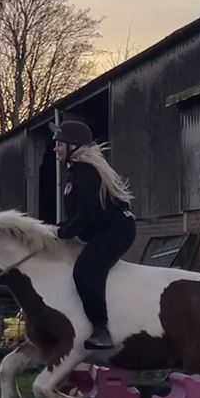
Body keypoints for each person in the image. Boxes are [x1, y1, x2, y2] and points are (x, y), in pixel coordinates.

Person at [50, 118, 136, 350]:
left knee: (85, 272)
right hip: (102, 230)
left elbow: (87, 214)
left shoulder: (85, 172)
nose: (55, 149)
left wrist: (64, 231)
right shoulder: (75, 171)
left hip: (115, 232)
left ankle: (101, 329)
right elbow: (81, 215)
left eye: (59, 144)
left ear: (73, 146)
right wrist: (60, 228)